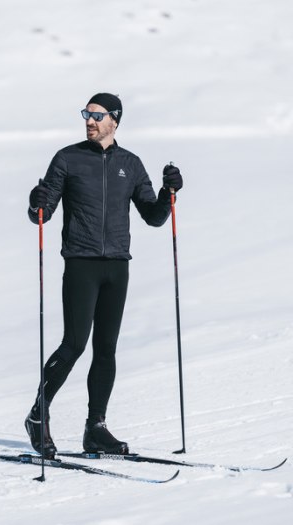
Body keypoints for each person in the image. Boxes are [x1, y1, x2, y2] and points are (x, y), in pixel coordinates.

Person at [24, 93, 183, 458]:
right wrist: (35, 203)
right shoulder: (67, 158)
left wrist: (168, 192)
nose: (89, 121)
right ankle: (38, 415)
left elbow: (154, 217)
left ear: (115, 120)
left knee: (106, 349)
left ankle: (95, 427)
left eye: (97, 116)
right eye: (87, 114)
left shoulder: (131, 164)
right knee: (74, 345)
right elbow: (41, 215)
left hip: (117, 266)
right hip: (81, 263)